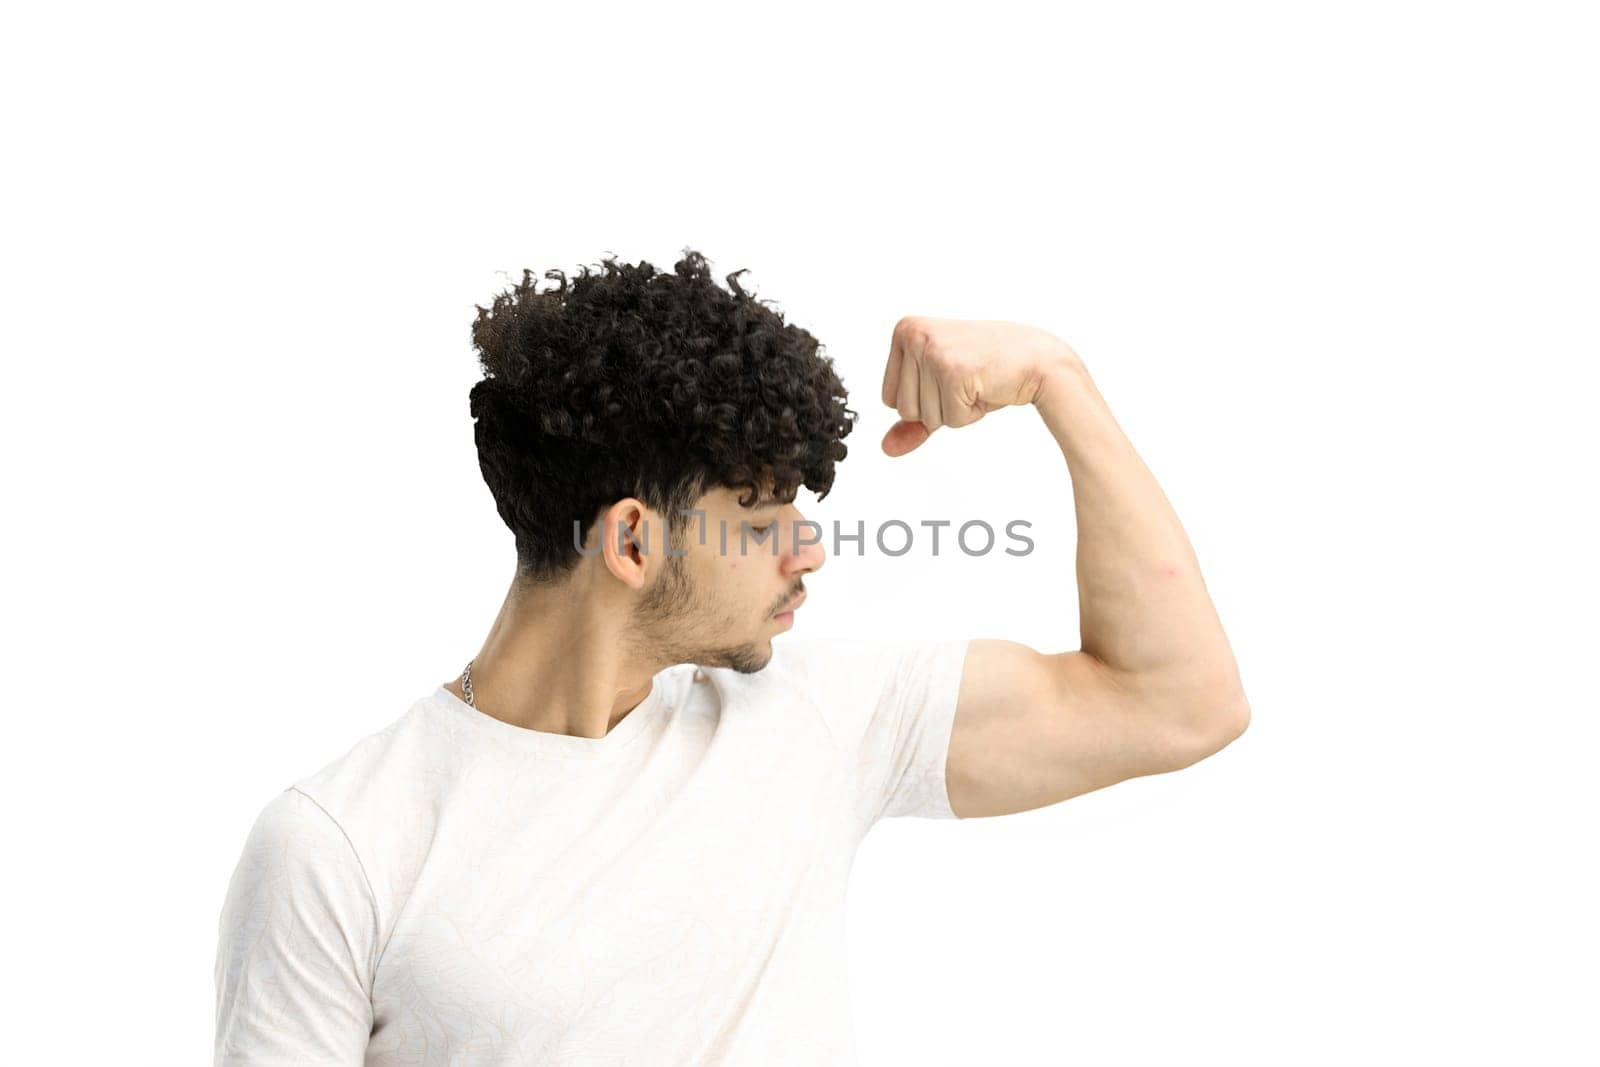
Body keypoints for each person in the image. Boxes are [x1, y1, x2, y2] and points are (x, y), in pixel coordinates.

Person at [212, 249, 1249, 1065]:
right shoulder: (339, 844)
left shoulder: (814, 716)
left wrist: (1056, 378)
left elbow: (1179, 699)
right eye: (760, 517)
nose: (808, 548)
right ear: (629, 541)